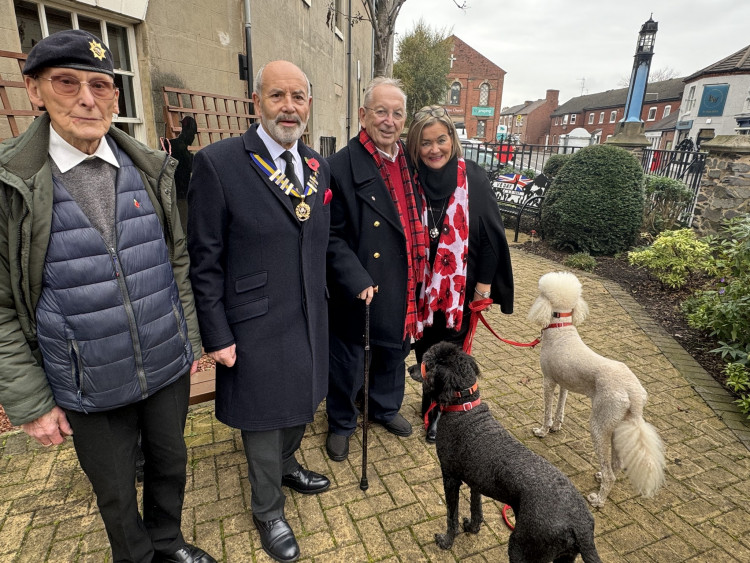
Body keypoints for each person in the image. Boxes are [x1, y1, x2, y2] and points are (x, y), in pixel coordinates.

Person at [0, 30, 215, 563]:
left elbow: (177, 261)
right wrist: (31, 402)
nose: (87, 98)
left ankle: (168, 542)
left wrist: (188, 341)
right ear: (34, 90)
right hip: (85, 380)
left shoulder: (149, 169)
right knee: (116, 492)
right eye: (67, 83)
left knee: (171, 464)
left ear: (116, 97)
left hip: (165, 365)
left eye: (101, 85)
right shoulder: (13, 184)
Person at [187, 60, 331, 563]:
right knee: (263, 418)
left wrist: (357, 282)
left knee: (304, 399)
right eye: (277, 97)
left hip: (309, 313)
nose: (288, 107)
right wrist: (215, 333)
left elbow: (321, 240)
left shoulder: (316, 165)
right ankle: (267, 509)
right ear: (257, 103)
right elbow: (203, 261)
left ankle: (287, 465)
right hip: (252, 320)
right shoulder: (219, 163)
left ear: (308, 106)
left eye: (298, 97)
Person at [325, 77, 425, 461]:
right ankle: (341, 421)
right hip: (362, 283)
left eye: (397, 113)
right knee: (350, 357)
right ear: (364, 115)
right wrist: (356, 276)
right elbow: (331, 236)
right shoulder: (339, 166)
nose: (389, 120)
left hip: (405, 277)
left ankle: (382, 407)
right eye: (381, 112)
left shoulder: (409, 162)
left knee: (394, 351)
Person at [406, 105, 514, 443]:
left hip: (460, 288)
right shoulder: (409, 179)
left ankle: (439, 413)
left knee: (451, 353)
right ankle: (430, 401)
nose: (434, 149)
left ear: (452, 140)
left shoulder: (474, 177)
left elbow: (492, 239)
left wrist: (483, 289)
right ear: (415, 146)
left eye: (441, 140)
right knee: (424, 351)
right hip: (421, 287)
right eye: (425, 143)